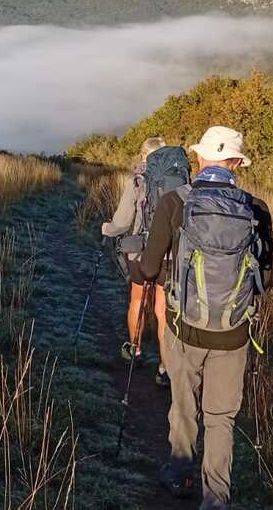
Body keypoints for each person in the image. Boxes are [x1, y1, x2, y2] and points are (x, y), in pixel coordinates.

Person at [140, 126, 273, 510]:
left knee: (184, 403)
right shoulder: (256, 209)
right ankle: (216, 498)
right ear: (237, 163)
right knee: (221, 418)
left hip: (184, 327)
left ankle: (181, 471)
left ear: (199, 158)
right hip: (234, 333)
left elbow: (149, 268)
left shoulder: (174, 202)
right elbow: (265, 278)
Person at [101, 136, 171, 386]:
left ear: (144, 155)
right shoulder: (181, 182)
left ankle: (136, 350)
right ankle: (165, 368)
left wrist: (107, 229)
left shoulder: (137, 181)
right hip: (169, 255)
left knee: (138, 300)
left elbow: (122, 222)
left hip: (141, 253)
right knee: (163, 310)